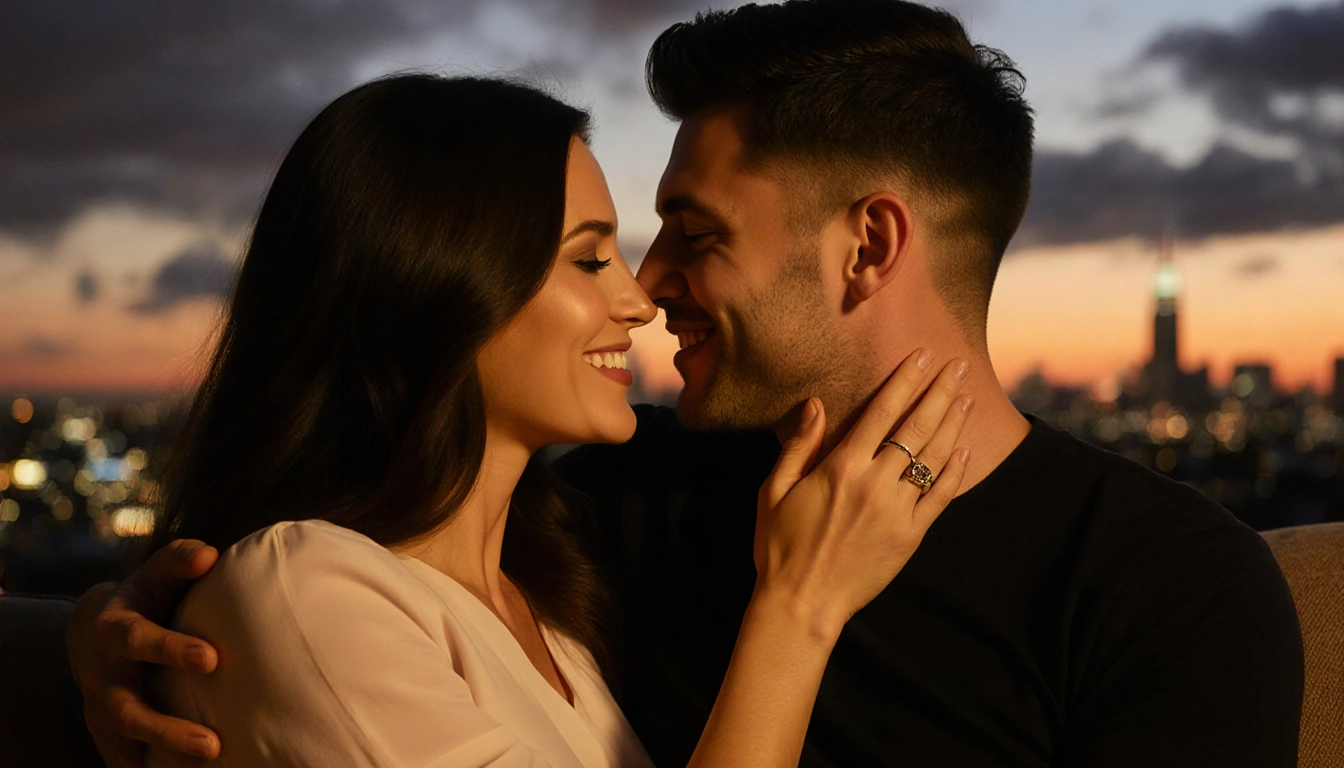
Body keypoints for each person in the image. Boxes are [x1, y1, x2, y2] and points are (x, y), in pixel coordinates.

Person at [71, 1, 1305, 766]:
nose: (649, 284)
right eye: (612, 247)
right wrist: (123, 629)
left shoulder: (1166, 586)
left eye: (693, 232)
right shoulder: (619, 510)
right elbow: (346, 584)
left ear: (868, 246)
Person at [68, 71, 973, 768]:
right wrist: (801, 606)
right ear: (439, 286)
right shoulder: (309, 589)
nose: (638, 297)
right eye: (589, 260)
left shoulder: (550, 602)